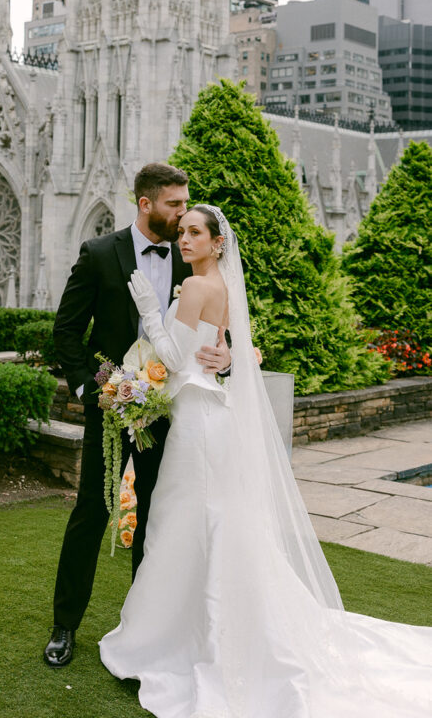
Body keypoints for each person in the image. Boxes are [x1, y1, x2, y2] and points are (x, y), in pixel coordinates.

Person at [100, 204, 432, 717]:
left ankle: (187, 637)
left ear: (216, 244)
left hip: (199, 427)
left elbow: (170, 358)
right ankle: (212, 623)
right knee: (208, 524)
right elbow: (229, 350)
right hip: (212, 416)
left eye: (194, 234)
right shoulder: (223, 287)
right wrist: (225, 357)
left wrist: (146, 307)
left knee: (189, 521)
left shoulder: (193, 288)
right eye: (181, 232)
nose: (184, 240)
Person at [43, 164, 232, 668]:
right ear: (146, 204)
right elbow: (66, 332)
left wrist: (226, 355)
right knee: (91, 513)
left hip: (171, 416)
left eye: (186, 204)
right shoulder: (100, 254)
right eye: (174, 204)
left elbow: (213, 334)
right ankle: (65, 626)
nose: (183, 212)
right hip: (109, 410)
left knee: (156, 518)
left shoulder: (190, 262)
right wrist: (93, 389)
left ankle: (143, 629)